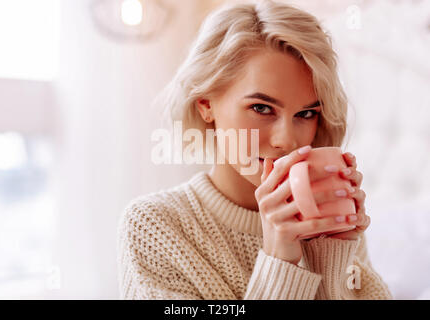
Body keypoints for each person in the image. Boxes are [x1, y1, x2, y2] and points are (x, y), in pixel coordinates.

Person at [117, 0, 393, 299]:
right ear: (206, 104)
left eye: (306, 114)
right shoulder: (155, 226)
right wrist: (279, 259)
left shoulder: (328, 216)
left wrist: (329, 257)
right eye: (262, 108)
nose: (286, 141)